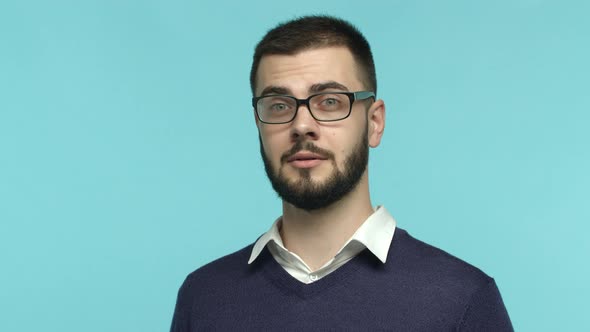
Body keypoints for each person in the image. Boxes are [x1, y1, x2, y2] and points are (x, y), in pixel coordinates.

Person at [170, 15, 513, 331]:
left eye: (330, 101)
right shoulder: (203, 297)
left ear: (374, 123)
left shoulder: (461, 300)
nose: (302, 125)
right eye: (279, 105)